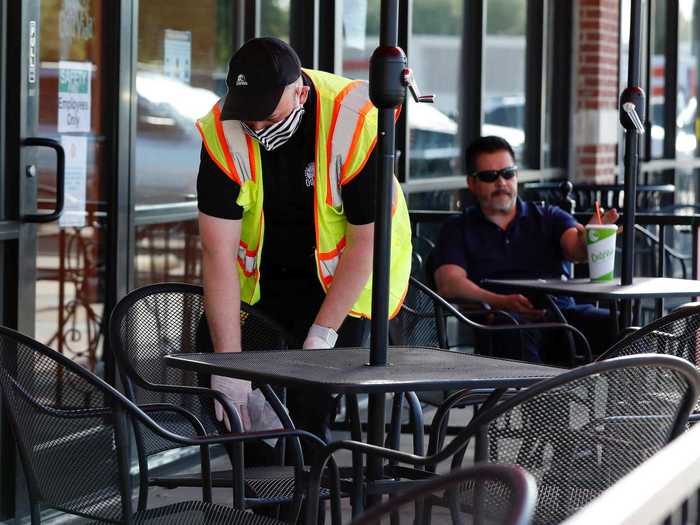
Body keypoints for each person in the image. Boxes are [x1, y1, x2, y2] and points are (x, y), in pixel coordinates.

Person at [195, 37, 411, 445]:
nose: (257, 128)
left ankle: (305, 500)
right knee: (237, 410)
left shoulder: (354, 120)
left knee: (309, 410)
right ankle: (256, 502)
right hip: (262, 282)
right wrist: (228, 364)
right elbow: (217, 250)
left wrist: (323, 335)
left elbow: (365, 242)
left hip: (341, 281)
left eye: (268, 114)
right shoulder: (221, 129)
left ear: (299, 91)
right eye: (248, 116)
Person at [433, 135, 617, 361]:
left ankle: (632, 395)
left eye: (508, 173)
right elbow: (450, 284)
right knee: (514, 330)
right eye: (490, 176)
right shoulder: (458, 228)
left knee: (620, 327)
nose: (501, 183)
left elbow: (575, 250)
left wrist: (592, 238)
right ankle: (538, 398)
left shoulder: (546, 216)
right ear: (472, 183)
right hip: (502, 320)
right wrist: (500, 301)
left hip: (561, 315)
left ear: (517, 177)